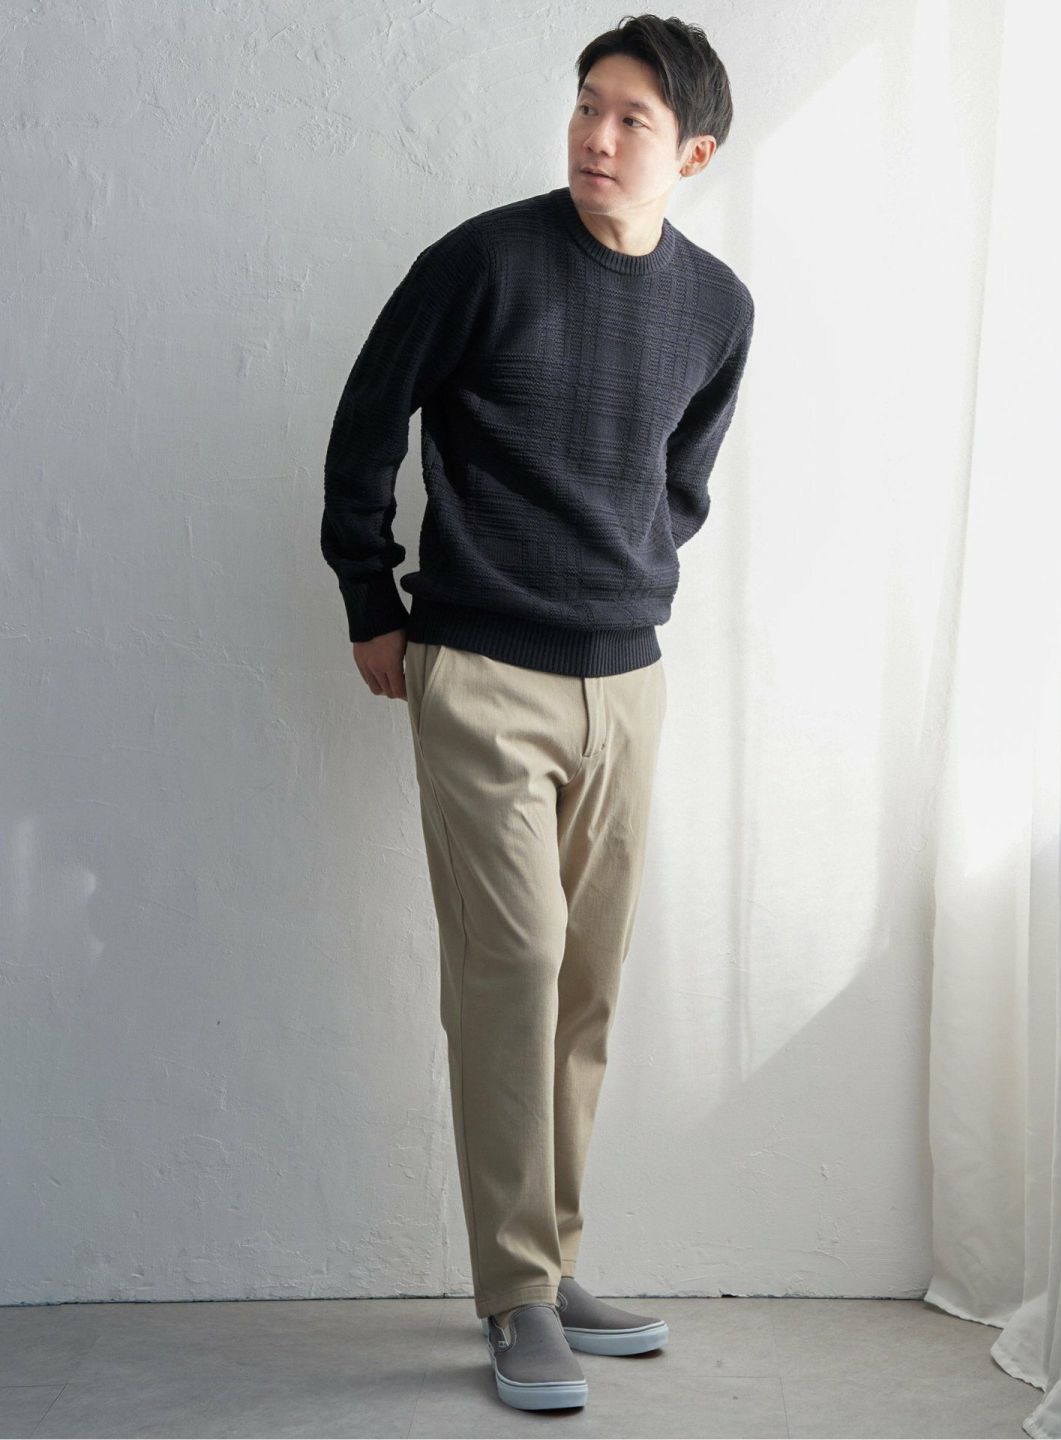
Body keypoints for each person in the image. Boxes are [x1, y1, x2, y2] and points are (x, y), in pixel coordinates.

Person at [320, 13, 754, 1412]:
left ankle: (555, 1266)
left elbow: (681, 483)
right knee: (513, 970)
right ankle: (514, 1296)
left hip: (628, 681)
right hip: (480, 671)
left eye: (631, 119)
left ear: (693, 154)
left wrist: (621, 576)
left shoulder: (718, 307)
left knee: (586, 985)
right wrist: (372, 600)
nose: (595, 136)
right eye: (585, 104)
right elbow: (366, 426)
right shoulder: (485, 262)